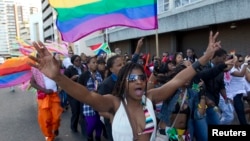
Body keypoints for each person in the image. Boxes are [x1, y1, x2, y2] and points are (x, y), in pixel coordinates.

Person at [29, 31, 220, 141]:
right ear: (122, 83)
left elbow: (178, 80)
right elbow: (86, 96)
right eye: (132, 78)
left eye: (141, 78)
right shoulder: (114, 103)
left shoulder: (150, 98)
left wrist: (205, 57)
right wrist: (58, 78)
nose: (139, 81)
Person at [30, 54, 63, 141]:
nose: (42, 59)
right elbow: (32, 83)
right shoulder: (36, 69)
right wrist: (44, 90)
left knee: (56, 117)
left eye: (43, 57)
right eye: (39, 57)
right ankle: (49, 137)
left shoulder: (52, 67)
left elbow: (59, 78)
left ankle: (55, 127)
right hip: (43, 97)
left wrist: (60, 87)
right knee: (45, 119)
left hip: (54, 96)